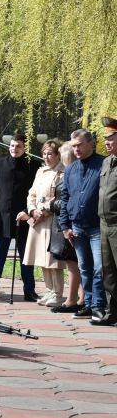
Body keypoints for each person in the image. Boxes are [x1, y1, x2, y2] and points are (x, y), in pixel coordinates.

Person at [0, 132, 38, 302]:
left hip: (24, 218)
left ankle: (29, 291)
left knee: (26, 257)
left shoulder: (33, 165)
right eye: (12, 145)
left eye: (19, 146)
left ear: (25, 148)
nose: (14, 148)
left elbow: (37, 193)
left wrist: (29, 212)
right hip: (2, 218)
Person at [59, 128, 105, 320]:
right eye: (73, 146)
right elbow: (65, 198)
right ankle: (88, 303)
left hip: (98, 226)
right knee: (84, 267)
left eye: (79, 145)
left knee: (99, 268)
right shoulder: (70, 169)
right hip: (77, 226)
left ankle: (98, 306)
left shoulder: (104, 164)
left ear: (91, 144)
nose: (76, 149)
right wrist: (65, 226)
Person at [22, 139, 67, 308]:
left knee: (53, 259)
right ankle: (49, 290)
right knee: (41, 257)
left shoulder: (63, 172)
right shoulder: (40, 171)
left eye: (50, 154)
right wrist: (32, 210)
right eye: (44, 153)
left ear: (58, 155)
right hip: (38, 220)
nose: (46, 157)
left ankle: (58, 293)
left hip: (51, 220)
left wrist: (44, 211)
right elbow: (31, 194)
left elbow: (60, 197)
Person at [50, 141, 85, 314]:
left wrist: (51, 205)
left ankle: (73, 300)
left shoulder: (71, 175)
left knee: (74, 265)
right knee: (78, 264)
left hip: (69, 225)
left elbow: (67, 201)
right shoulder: (74, 173)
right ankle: (81, 299)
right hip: (69, 224)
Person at [97, 117, 117, 326]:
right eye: (106, 139)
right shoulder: (106, 162)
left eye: (111, 138)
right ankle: (112, 311)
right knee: (108, 271)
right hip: (104, 224)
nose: (107, 142)